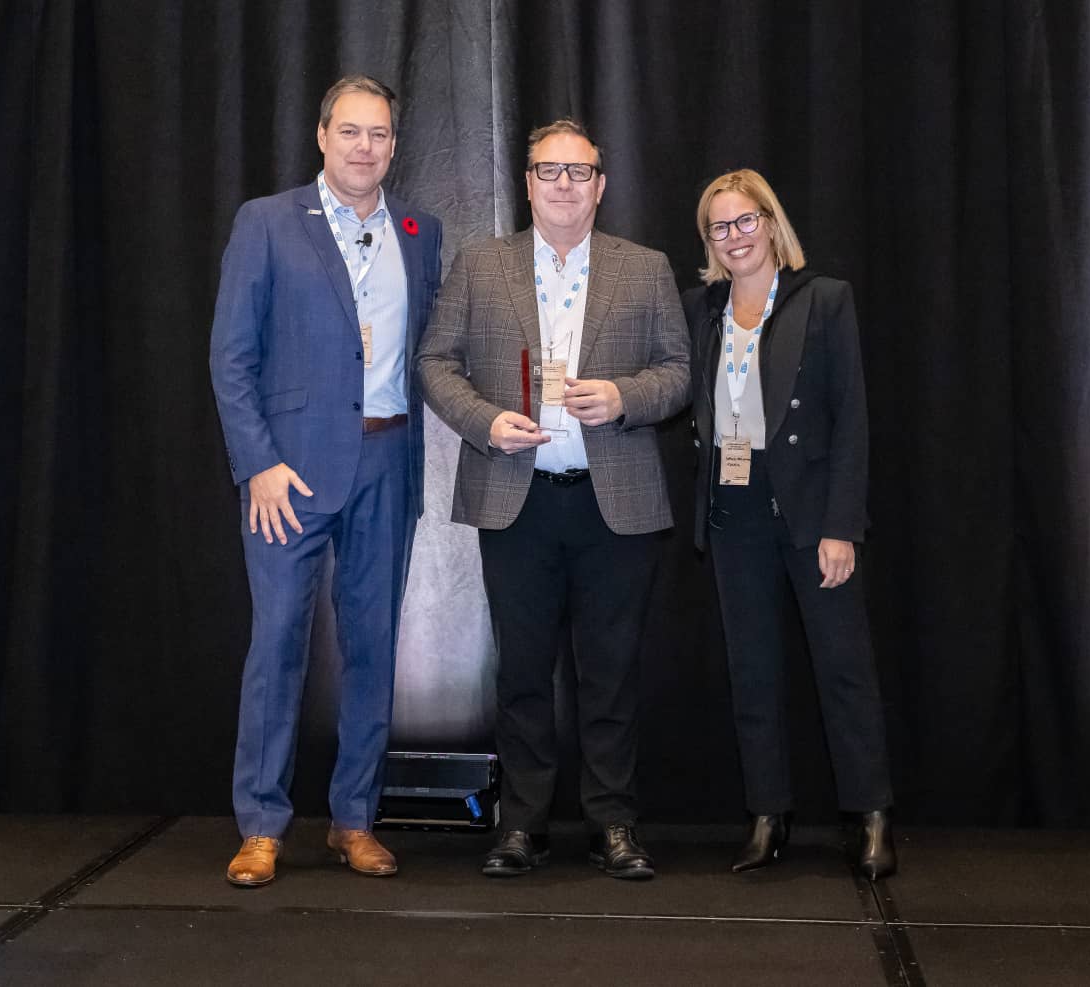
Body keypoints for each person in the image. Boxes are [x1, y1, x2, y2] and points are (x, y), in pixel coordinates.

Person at [417, 119, 689, 879]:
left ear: (601, 185)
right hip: (518, 500)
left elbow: (677, 372)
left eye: (579, 172)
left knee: (611, 672)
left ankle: (614, 824)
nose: (564, 184)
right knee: (523, 673)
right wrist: (483, 421)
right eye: (549, 171)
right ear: (529, 183)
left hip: (617, 503)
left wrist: (625, 396)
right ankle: (522, 826)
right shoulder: (481, 265)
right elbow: (435, 363)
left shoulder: (646, 268)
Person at [209, 75, 443, 887]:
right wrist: (258, 464)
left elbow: (432, 353)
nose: (364, 147)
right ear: (321, 136)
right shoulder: (268, 222)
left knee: (374, 647)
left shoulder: (420, 230)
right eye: (350, 131)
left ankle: (354, 820)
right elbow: (231, 357)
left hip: (388, 461)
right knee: (277, 644)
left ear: (392, 144)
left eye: (379, 134)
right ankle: (262, 825)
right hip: (289, 472)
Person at [681, 169, 896, 879]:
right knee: (753, 673)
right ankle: (767, 815)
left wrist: (842, 525)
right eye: (721, 226)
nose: (735, 237)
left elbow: (854, 420)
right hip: (733, 509)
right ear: (709, 240)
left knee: (844, 670)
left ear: (771, 224)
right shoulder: (702, 309)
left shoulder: (824, 300)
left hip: (809, 511)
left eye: (746, 221)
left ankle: (869, 817)